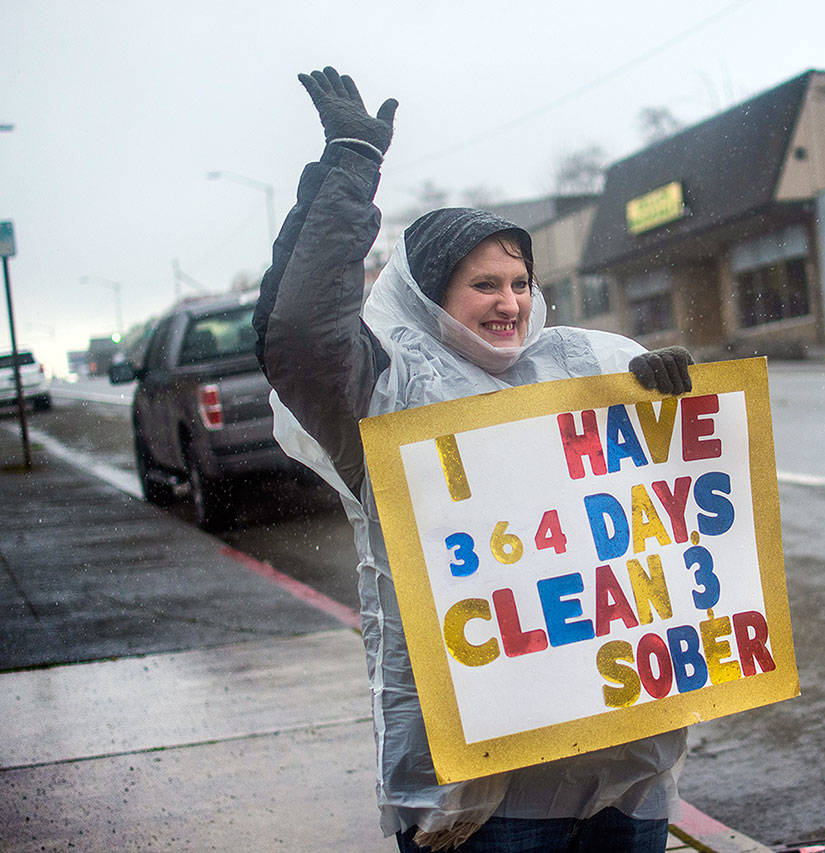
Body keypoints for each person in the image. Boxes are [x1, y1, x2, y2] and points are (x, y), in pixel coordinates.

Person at [253, 66, 696, 852]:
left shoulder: (584, 362)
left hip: (620, 770)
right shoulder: (382, 394)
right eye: (483, 284)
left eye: (521, 282)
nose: (510, 302)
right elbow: (300, 337)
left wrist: (665, 402)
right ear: (429, 297)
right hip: (488, 797)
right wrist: (350, 161)